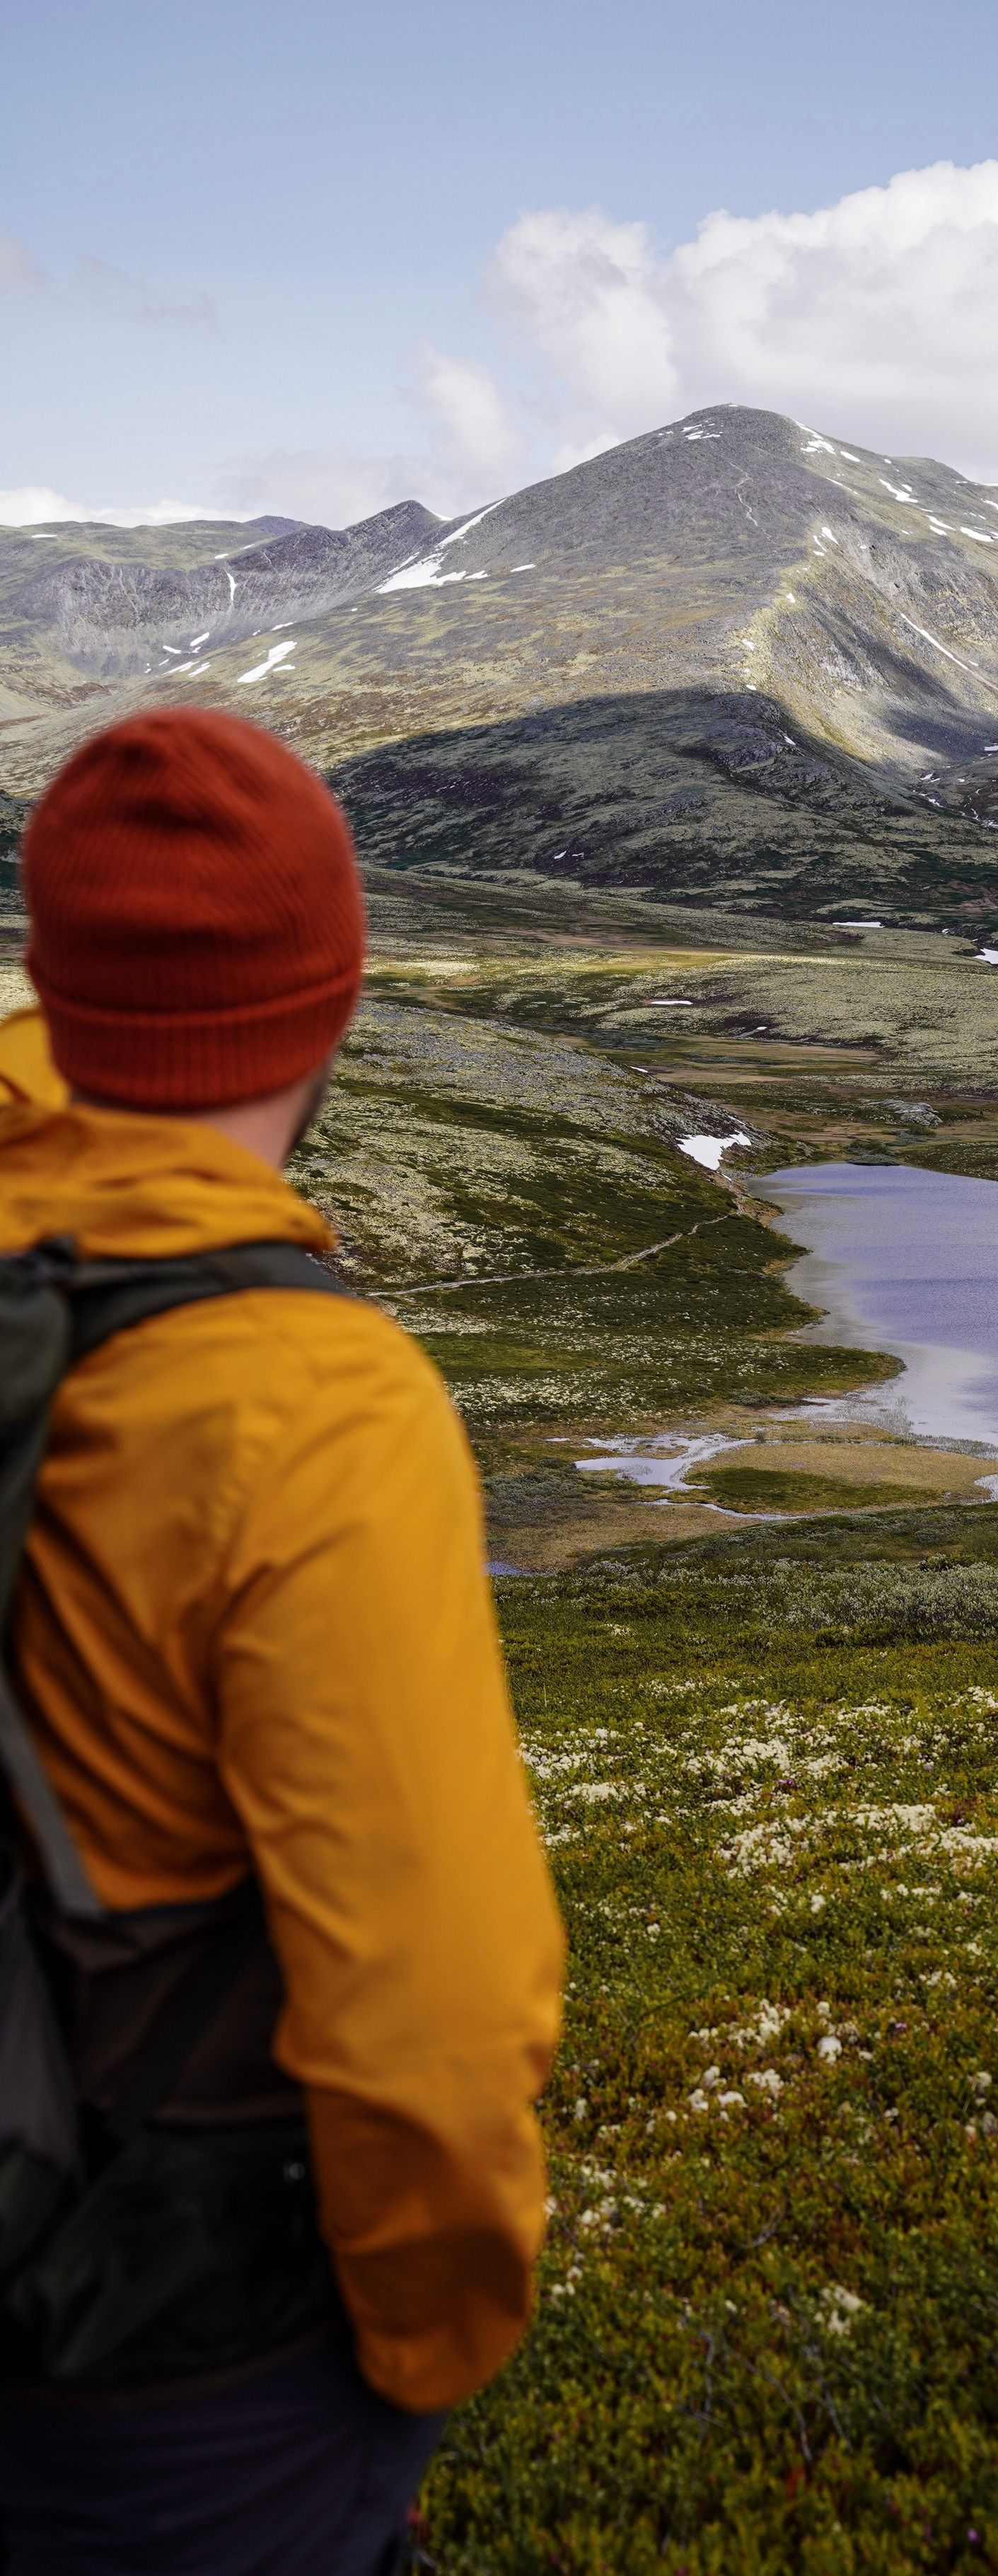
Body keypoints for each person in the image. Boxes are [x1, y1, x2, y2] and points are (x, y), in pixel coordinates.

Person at [0, 708, 564, 2576]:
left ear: (59, 981)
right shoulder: (316, 1406)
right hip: (169, 2348)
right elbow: (434, 2005)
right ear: (333, 1002)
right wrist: (422, 2346)